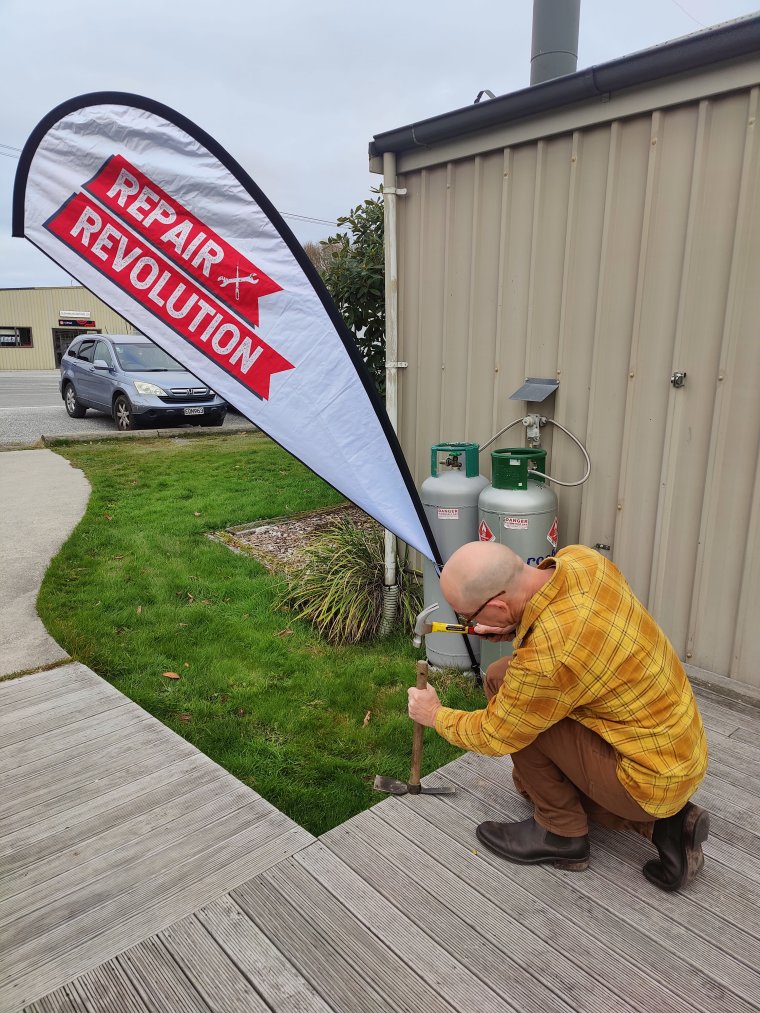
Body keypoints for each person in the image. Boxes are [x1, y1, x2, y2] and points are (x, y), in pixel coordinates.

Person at [407, 541, 709, 891]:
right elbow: (572, 635)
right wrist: (514, 626)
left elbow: (495, 734)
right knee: (502, 677)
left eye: (468, 617)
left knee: (514, 709)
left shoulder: (547, 659)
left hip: (647, 778)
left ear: (498, 606)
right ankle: (665, 826)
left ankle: (560, 832)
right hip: (679, 752)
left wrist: (435, 714)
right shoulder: (582, 560)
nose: (467, 623)